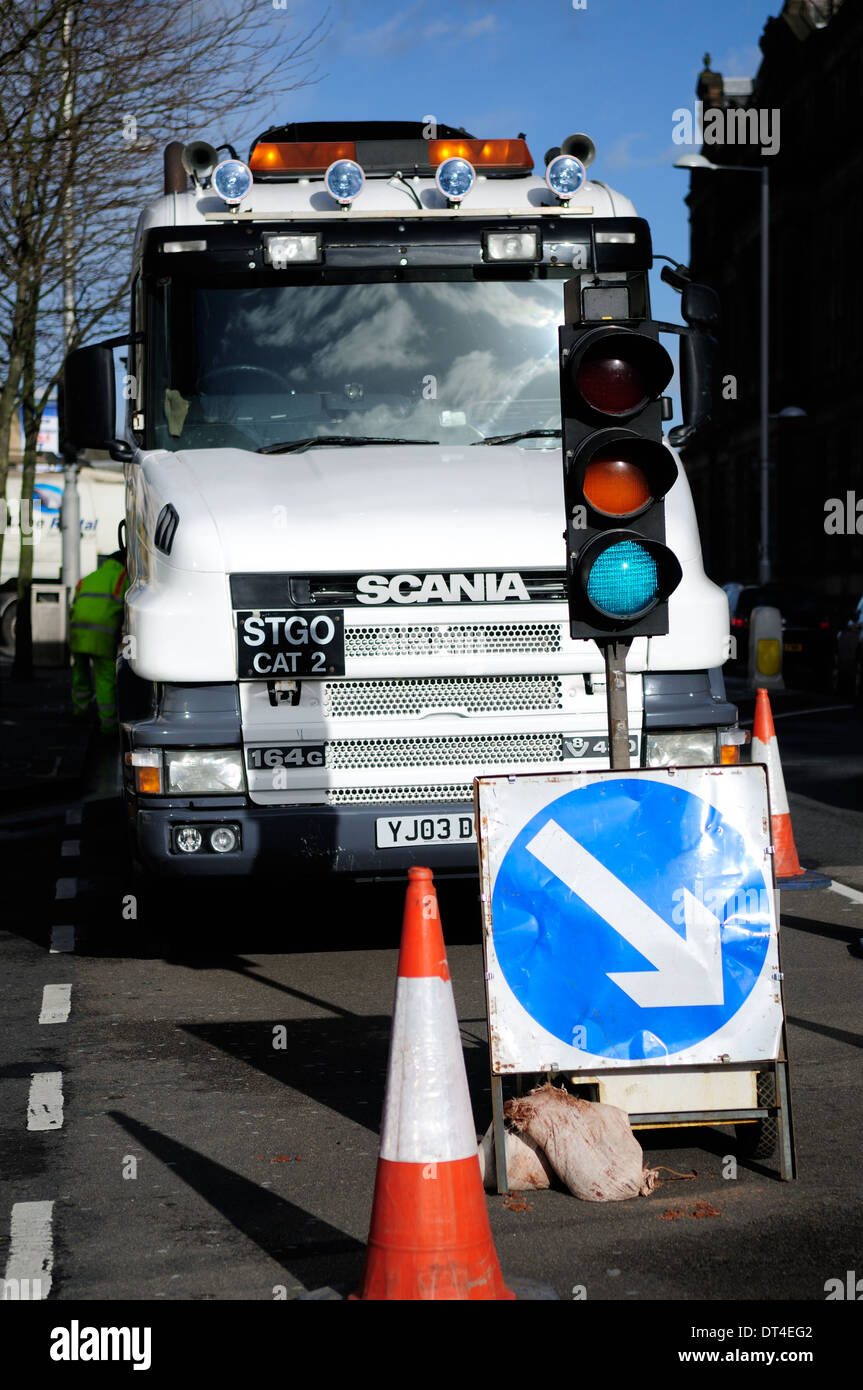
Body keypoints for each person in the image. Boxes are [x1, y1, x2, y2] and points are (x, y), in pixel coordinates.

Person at [69, 547, 129, 734]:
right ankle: (108, 724)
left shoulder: (90, 577)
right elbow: (128, 609)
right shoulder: (122, 577)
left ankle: (80, 711)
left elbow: (75, 605)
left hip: (78, 632)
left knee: (80, 673)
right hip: (102, 635)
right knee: (104, 679)